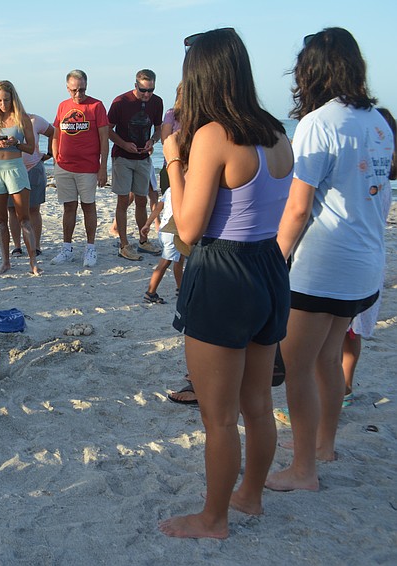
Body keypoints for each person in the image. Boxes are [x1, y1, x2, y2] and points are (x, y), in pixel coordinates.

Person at [158, 28, 294, 539]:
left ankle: (213, 519)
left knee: (218, 416)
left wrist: (174, 159)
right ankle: (250, 497)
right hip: (268, 267)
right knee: (259, 404)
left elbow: (189, 231)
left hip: (223, 271)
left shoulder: (214, 135)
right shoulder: (277, 132)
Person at [266, 28, 393, 492]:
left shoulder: (320, 121)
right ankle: (323, 444)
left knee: (297, 367)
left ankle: (304, 470)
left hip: (323, 263)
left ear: (312, 71)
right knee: (327, 358)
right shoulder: (378, 121)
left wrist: (274, 259)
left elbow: (298, 206)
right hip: (365, 263)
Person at [341, 107, 395, 406]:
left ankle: (341, 390)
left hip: (353, 260)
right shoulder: (382, 182)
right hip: (371, 259)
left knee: (338, 335)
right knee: (352, 333)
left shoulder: (366, 183)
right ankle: (346, 387)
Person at [50, 70, 109, 268]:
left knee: (88, 206)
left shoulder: (96, 106)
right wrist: (56, 159)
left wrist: (103, 167)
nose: (78, 94)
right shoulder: (62, 106)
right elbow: (56, 134)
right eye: (74, 90)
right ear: (68, 88)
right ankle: (67, 248)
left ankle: (90, 248)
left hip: (88, 167)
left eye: (82, 89)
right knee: (68, 207)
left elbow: (104, 139)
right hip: (64, 167)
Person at [108, 69, 164, 261]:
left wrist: (153, 141)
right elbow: (107, 130)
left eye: (150, 90)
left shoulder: (157, 102)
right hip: (122, 157)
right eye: (143, 90)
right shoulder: (120, 102)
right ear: (135, 86)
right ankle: (124, 245)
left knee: (142, 200)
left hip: (142, 158)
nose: (147, 95)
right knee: (123, 201)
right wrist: (124, 144)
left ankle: (143, 240)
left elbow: (158, 129)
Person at [0, 80, 40, 275]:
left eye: (6, 100)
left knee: (24, 218)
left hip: (16, 168)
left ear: (12, 98)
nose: (2, 104)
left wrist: (16, 143)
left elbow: (31, 148)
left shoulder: (22, 119)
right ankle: (5, 262)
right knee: (1, 221)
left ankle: (33, 262)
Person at [8, 113, 53, 258]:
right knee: (13, 210)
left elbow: (53, 132)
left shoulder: (34, 120)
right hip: (11, 169)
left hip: (33, 168)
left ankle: (36, 246)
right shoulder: (2, 121)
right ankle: (17, 246)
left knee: (33, 209)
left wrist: (50, 153)